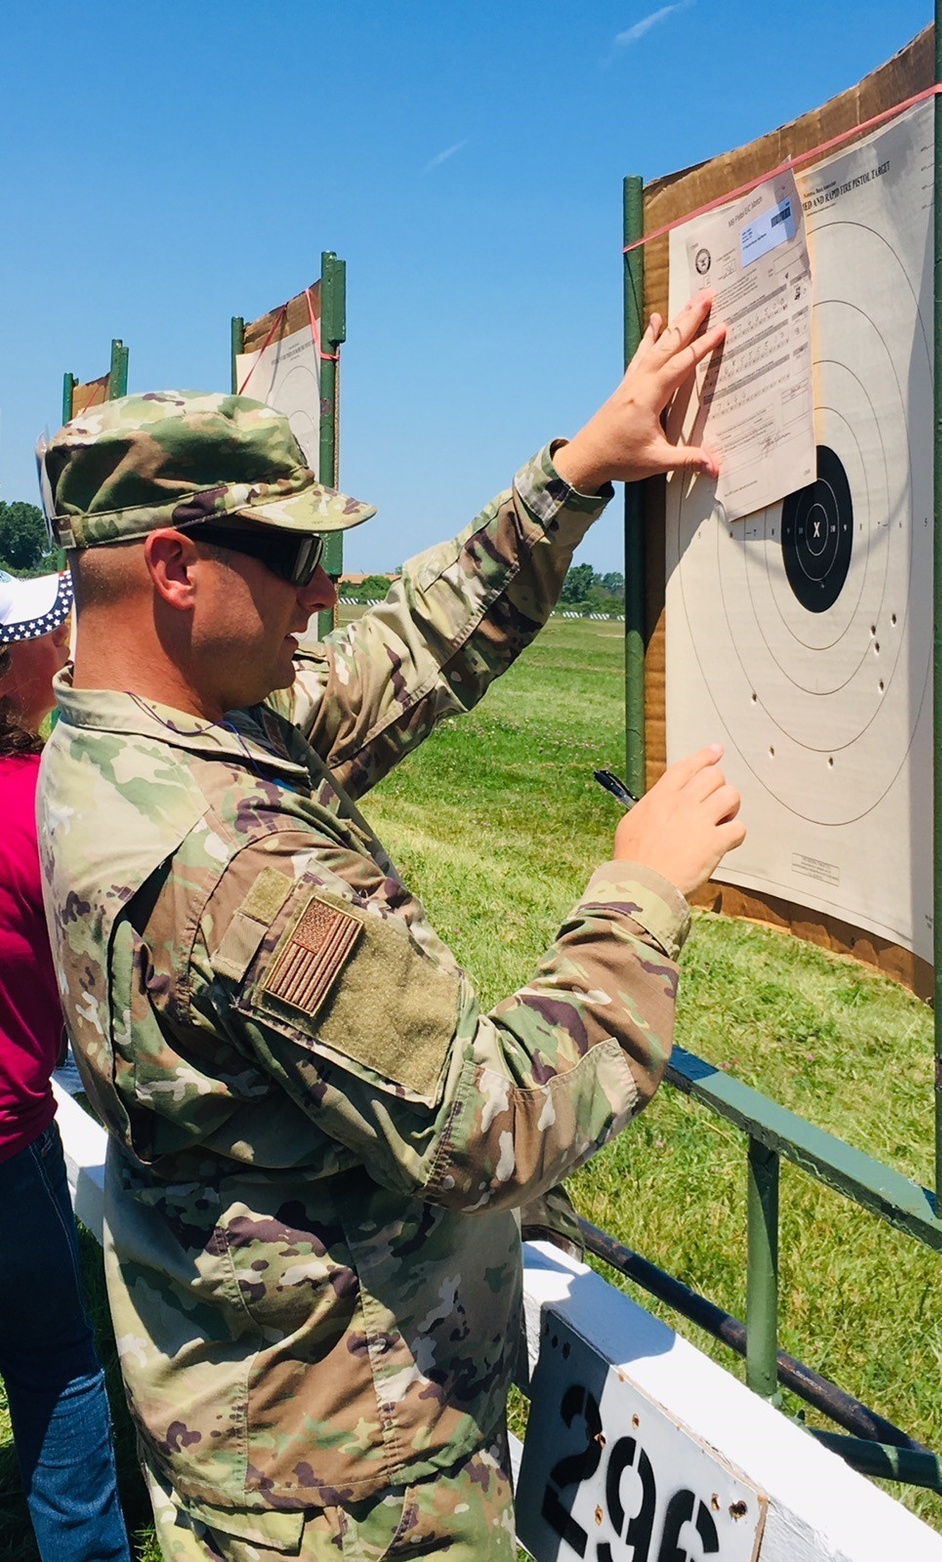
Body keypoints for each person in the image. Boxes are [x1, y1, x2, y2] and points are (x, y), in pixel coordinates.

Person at [38, 292, 745, 1561]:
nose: (324, 591)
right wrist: (640, 890)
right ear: (177, 567)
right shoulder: (234, 867)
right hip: (357, 1492)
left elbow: (395, 659)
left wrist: (573, 472)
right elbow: (494, 1117)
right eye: (296, 559)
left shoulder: (118, 736)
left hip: (254, 1422)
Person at [0, 569, 130, 1562]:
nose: (63, 646)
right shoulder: (36, 804)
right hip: (6, 1143)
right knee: (55, 1367)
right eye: (47, 632)